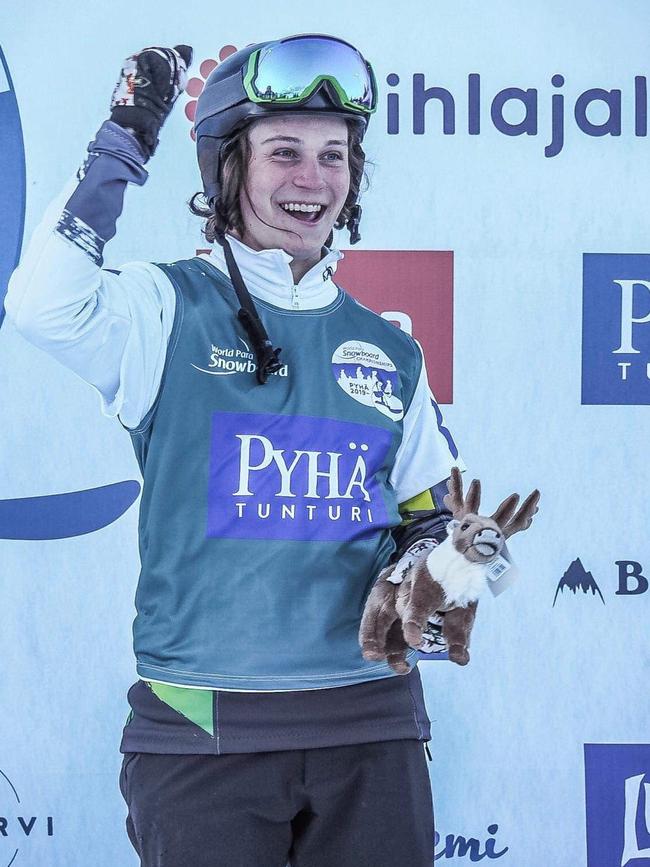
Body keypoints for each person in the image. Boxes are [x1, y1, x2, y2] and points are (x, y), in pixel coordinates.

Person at [5, 35, 467, 867]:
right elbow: (41, 306)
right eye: (282, 151)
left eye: (334, 155)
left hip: (370, 729)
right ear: (228, 169)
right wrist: (122, 143)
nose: (312, 179)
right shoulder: (161, 308)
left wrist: (435, 557)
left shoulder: (388, 349)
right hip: (202, 733)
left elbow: (432, 511)